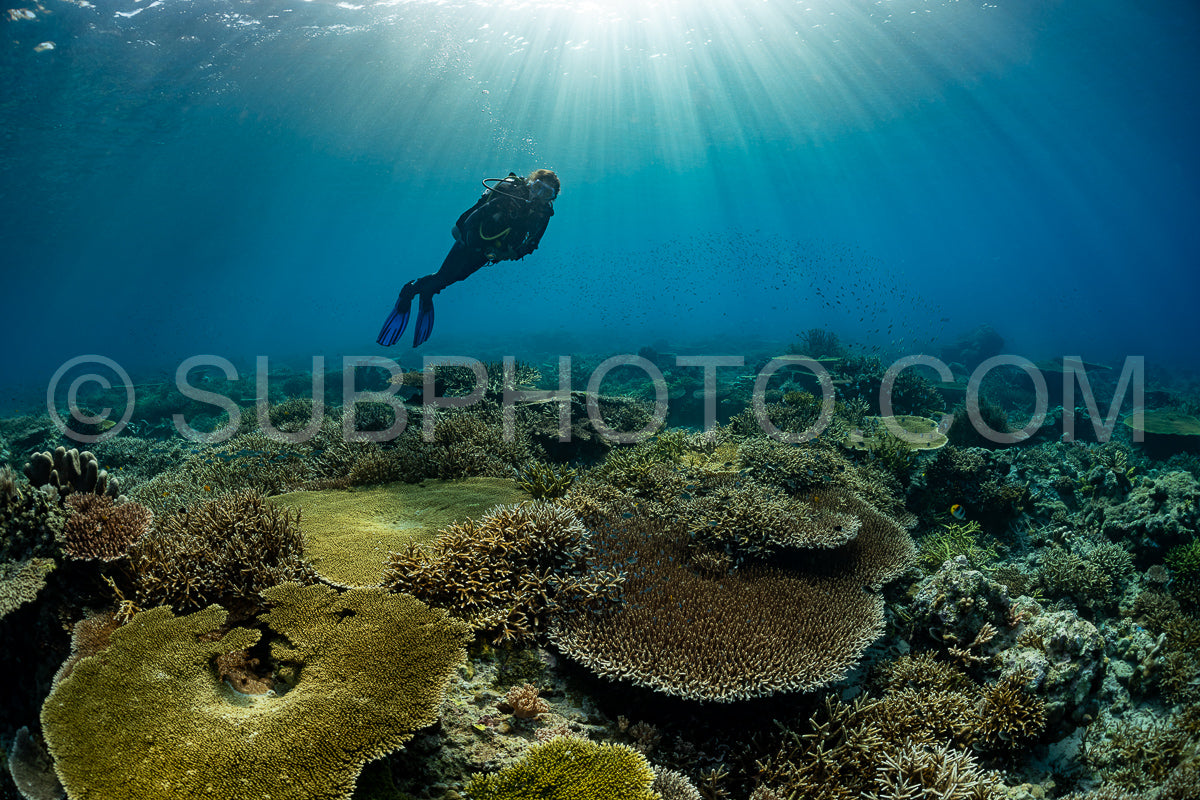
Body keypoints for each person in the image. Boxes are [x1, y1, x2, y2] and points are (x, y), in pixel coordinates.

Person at [377, 169, 560, 347]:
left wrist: (511, 254)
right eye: (538, 187)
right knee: (444, 276)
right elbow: (473, 218)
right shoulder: (508, 195)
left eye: (546, 193)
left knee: (454, 278)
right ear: (530, 182)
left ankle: (426, 292)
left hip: (490, 251)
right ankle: (409, 292)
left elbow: (532, 244)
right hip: (469, 240)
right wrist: (469, 242)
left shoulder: (542, 215)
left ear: (551, 198)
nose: (538, 195)